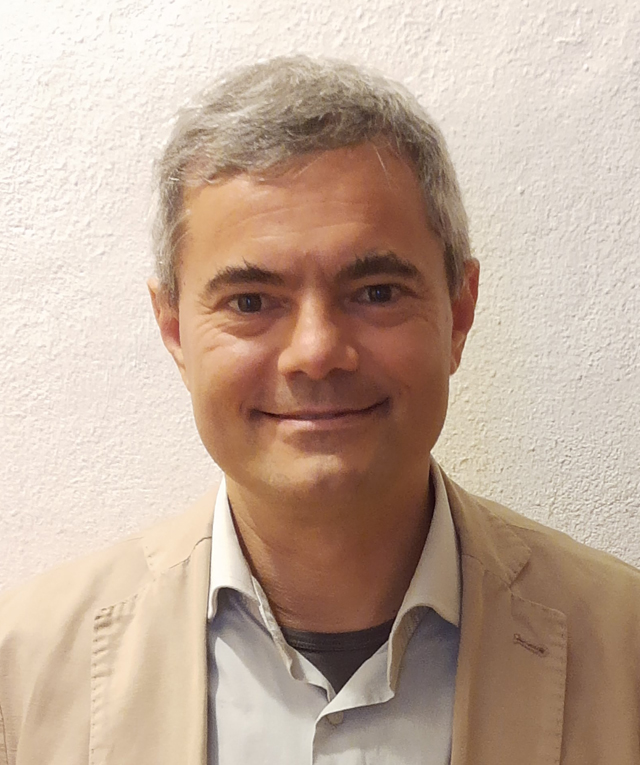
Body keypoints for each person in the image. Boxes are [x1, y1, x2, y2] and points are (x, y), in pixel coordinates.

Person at [0, 55, 638, 765]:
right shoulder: (23, 673)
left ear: (459, 314)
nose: (316, 352)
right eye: (250, 302)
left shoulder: (625, 648)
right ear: (174, 330)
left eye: (377, 292)